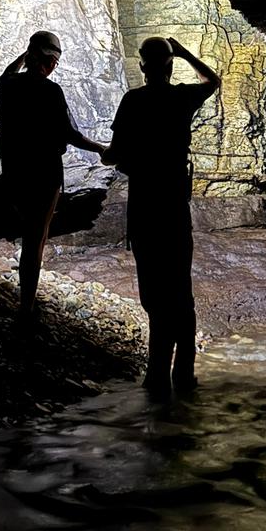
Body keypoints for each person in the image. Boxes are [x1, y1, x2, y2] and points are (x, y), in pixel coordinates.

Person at [102, 35, 221, 398]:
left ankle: (156, 375)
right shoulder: (181, 97)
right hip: (174, 205)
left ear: (141, 66)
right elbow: (212, 81)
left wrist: (110, 155)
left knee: (154, 293)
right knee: (180, 290)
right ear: (170, 66)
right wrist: (185, 53)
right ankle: (183, 372)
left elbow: (114, 154)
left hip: (145, 206)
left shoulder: (133, 101)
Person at [0, 30, 108, 324]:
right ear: (52, 62)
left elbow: (9, 71)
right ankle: (26, 308)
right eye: (54, 61)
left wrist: (26, 54)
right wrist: (99, 148)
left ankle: (26, 304)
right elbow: (69, 134)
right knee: (36, 239)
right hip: (44, 172)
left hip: (14, 170)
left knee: (28, 232)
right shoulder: (50, 91)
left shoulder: (9, 84)